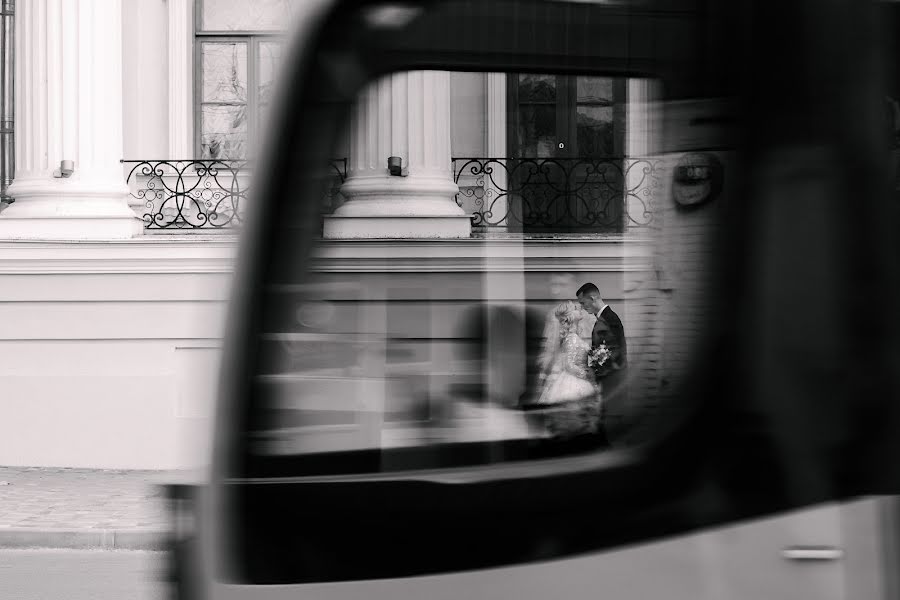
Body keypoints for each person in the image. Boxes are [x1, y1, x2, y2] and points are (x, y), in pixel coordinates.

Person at [531, 301, 602, 438]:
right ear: (572, 318)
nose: (580, 310)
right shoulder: (572, 339)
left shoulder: (573, 338)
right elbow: (568, 365)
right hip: (574, 380)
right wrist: (586, 374)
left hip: (575, 377)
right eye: (576, 309)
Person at [576, 282, 627, 442]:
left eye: (583, 303)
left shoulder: (608, 320)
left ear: (593, 298)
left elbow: (613, 355)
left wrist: (593, 373)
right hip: (611, 386)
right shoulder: (607, 318)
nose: (583, 307)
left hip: (613, 386)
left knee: (613, 436)